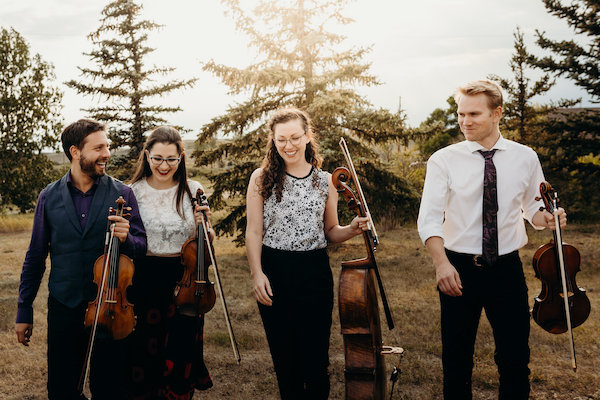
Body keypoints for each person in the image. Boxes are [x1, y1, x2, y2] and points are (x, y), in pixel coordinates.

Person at [417, 79, 567, 400]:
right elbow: (429, 219)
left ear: (497, 113)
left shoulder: (525, 157)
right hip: (458, 268)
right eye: (461, 114)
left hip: (507, 270)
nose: (465, 122)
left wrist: (549, 218)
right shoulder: (443, 160)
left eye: (474, 114)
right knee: (456, 361)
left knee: (514, 360)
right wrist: (441, 265)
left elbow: (534, 210)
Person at [15, 118, 147, 400]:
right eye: (99, 148)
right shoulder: (48, 197)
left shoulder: (123, 193)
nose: (107, 154)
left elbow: (141, 247)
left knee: (110, 389)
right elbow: (36, 257)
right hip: (64, 305)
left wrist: (128, 239)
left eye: (107, 146)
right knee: (62, 390)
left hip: (110, 308)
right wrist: (23, 310)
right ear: (75, 152)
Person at [245, 108, 369, 400]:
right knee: (285, 362)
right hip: (274, 270)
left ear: (308, 136)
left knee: (315, 364)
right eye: (281, 140)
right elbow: (253, 232)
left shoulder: (326, 180)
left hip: (314, 273)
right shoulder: (261, 178)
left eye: (295, 138)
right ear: (273, 141)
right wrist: (257, 273)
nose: (288, 145)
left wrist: (351, 229)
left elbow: (330, 231)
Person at [128, 126, 213, 399]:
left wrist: (205, 228)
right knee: (144, 353)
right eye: (157, 158)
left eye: (171, 159)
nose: (164, 166)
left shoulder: (193, 189)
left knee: (180, 353)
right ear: (147, 156)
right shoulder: (133, 192)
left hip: (185, 280)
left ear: (181, 158)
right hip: (144, 279)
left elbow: (207, 244)